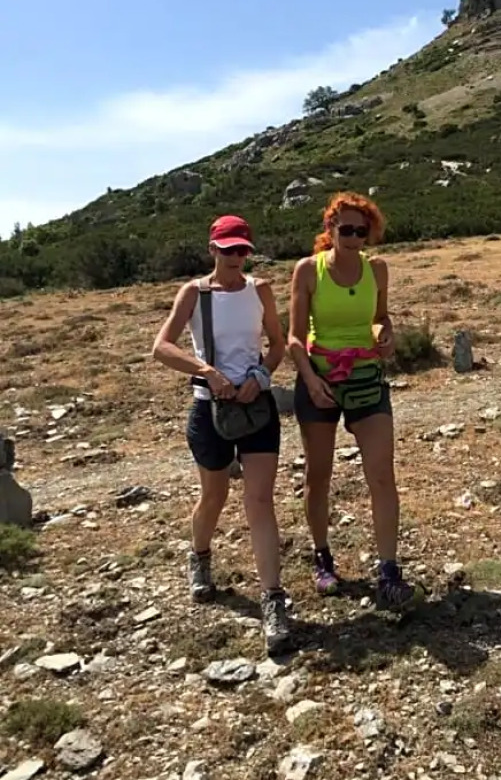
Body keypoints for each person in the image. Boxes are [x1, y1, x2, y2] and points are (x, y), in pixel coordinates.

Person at [152, 214, 291, 654]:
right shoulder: (195, 293)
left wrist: (260, 375)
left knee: (260, 500)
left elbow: (278, 344)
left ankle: (273, 600)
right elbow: (162, 346)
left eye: (242, 250)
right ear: (212, 249)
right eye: (228, 250)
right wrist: (207, 372)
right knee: (213, 495)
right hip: (210, 410)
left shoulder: (260, 290)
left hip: (256, 407)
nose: (236, 257)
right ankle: (200, 556)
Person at [287, 191, 419, 611]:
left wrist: (386, 334)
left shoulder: (377, 269)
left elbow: (380, 317)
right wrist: (311, 381)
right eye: (345, 229)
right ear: (330, 228)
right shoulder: (308, 271)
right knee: (318, 475)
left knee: (382, 475)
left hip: (366, 378)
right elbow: (294, 338)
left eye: (361, 232)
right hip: (320, 378)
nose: (353, 238)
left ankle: (389, 571)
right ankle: (322, 557)